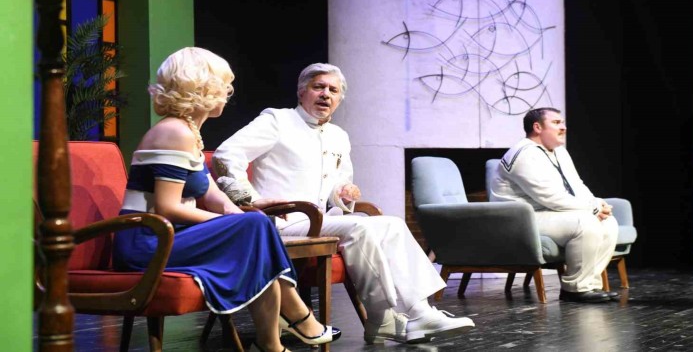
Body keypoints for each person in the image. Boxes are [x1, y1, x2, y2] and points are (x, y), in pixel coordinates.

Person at [212, 63, 475, 344]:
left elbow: (337, 185)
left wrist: (343, 193)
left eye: (333, 90)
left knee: (392, 224)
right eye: (318, 87)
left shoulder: (338, 135)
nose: (326, 94)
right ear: (302, 92)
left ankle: (421, 310)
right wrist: (250, 199)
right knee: (361, 229)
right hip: (280, 222)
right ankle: (382, 318)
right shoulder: (277, 120)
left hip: (317, 221)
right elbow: (226, 155)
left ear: (339, 99)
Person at [112, 48, 340, 352]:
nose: (227, 93)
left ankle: (275, 338)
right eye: (223, 86)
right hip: (147, 242)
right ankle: (292, 322)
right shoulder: (173, 132)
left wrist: (240, 214)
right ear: (203, 88)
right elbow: (168, 207)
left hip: (170, 236)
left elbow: (213, 195)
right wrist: (233, 223)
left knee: (255, 224)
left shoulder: (189, 132)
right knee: (252, 227)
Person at [489, 107, 619, 303]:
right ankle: (575, 289)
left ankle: (589, 285)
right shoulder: (523, 154)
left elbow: (577, 185)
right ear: (537, 127)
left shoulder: (560, 152)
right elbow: (551, 197)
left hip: (547, 213)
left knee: (608, 223)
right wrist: (592, 209)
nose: (563, 127)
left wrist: (596, 203)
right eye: (556, 123)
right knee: (586, 223)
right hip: (521, 220)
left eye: (563, 123)